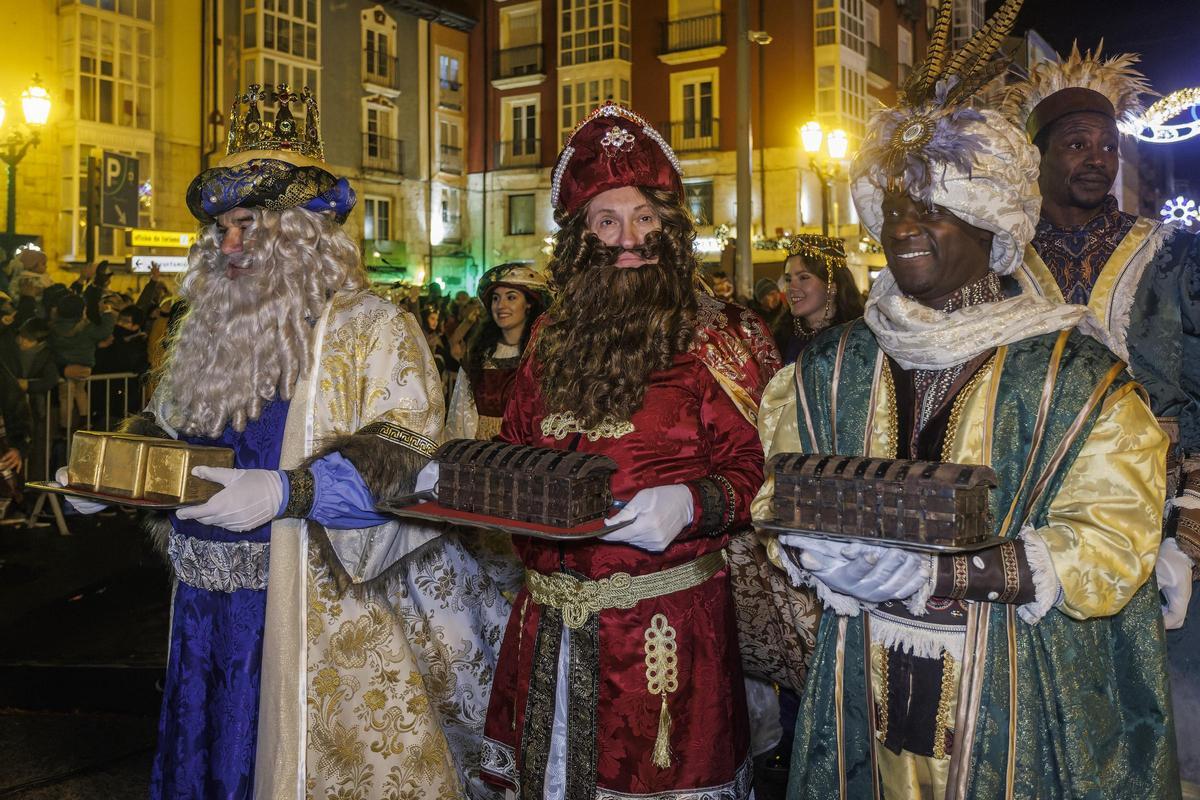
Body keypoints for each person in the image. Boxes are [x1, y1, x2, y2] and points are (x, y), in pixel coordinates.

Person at [757, 4, 1178, 796]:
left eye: (936, 207)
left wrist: (935, 578)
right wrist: (813, 554)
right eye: (895, 204)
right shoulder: (829, 366)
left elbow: (1111, 543)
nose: (905, 225)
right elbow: (779, 495)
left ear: (994, 224)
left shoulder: (1074, 376)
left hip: (1019, 699)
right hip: (862, 685)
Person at [59, 83, 508, 799]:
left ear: (300, 235)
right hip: (205, 608)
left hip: (313, 605)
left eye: (251, 228)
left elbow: (411, 452)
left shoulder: (370, 326)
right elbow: (170, 430)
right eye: (223, 231)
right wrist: (106, 478)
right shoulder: (205, 332)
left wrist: (288, 490)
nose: (230, 246)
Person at [471, 102, 779, 799]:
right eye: (607, 220)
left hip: (666, 636)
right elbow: (517, 445)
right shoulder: (550, 337)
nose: (628, 237)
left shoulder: (720, 335)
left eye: (644, 216)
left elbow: (766, 470)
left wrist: (693, 502)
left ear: (670, 224)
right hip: (548, 626)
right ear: (581, 235)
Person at [1000, 41, 1200, 783]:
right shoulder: (1000, 262)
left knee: (1159, 702)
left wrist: (1193, 502)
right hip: (1031, 504)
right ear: (1039, 158)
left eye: (1107, 146)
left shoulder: (1172, 253)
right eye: (1076, 144)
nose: (1096, 159)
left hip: (1156, 510)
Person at [446, 263, 549, 441]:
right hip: (481, 455)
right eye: (495, 298)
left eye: (511, 297)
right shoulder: (477, 359)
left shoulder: (544, 357)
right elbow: (460, 419)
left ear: (529, 304)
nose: (501, 305)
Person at [777, 235, 865, 364]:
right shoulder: (779, 339)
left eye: (803, 278)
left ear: (832, 286)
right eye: (788, 280)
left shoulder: (858, 337)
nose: (791, 287)